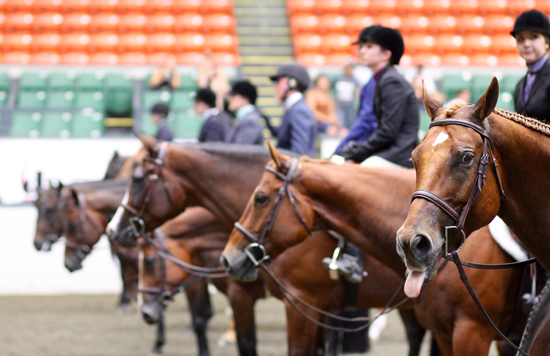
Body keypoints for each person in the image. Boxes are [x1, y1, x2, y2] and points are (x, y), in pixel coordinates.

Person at [339, 25, 419, 168]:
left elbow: (388, 132)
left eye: (369, 47)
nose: (361, 51)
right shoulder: (382, 79)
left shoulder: (391, 81)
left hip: (400, 153)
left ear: (385, 55)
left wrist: (358, 151)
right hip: (392, 149)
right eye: (362, 47)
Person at [268, 62, 317, 157]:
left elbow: (299, 152)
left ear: (292, 83)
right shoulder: (294, 108)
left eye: (279, 81)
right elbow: (282, 135)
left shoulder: (299, 111)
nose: (276, 86)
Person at [511, 9, 550, 122]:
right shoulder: (519, 86)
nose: (526, 44)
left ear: (547, 42)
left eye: (534, 37)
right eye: (520, 39)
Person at [225, 80, 264, 145]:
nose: (230, 99)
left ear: (245, 98)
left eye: (233, 95)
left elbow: (240, 149)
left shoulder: (250, 121)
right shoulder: (244, 118)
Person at [332, 62, 361, 132]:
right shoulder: (338, 78)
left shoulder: (355, 81)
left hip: (350, 105)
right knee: (341, 122)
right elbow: (331, 88)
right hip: (339, 104)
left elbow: (357, 93)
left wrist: (357, 105)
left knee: (350, 122)